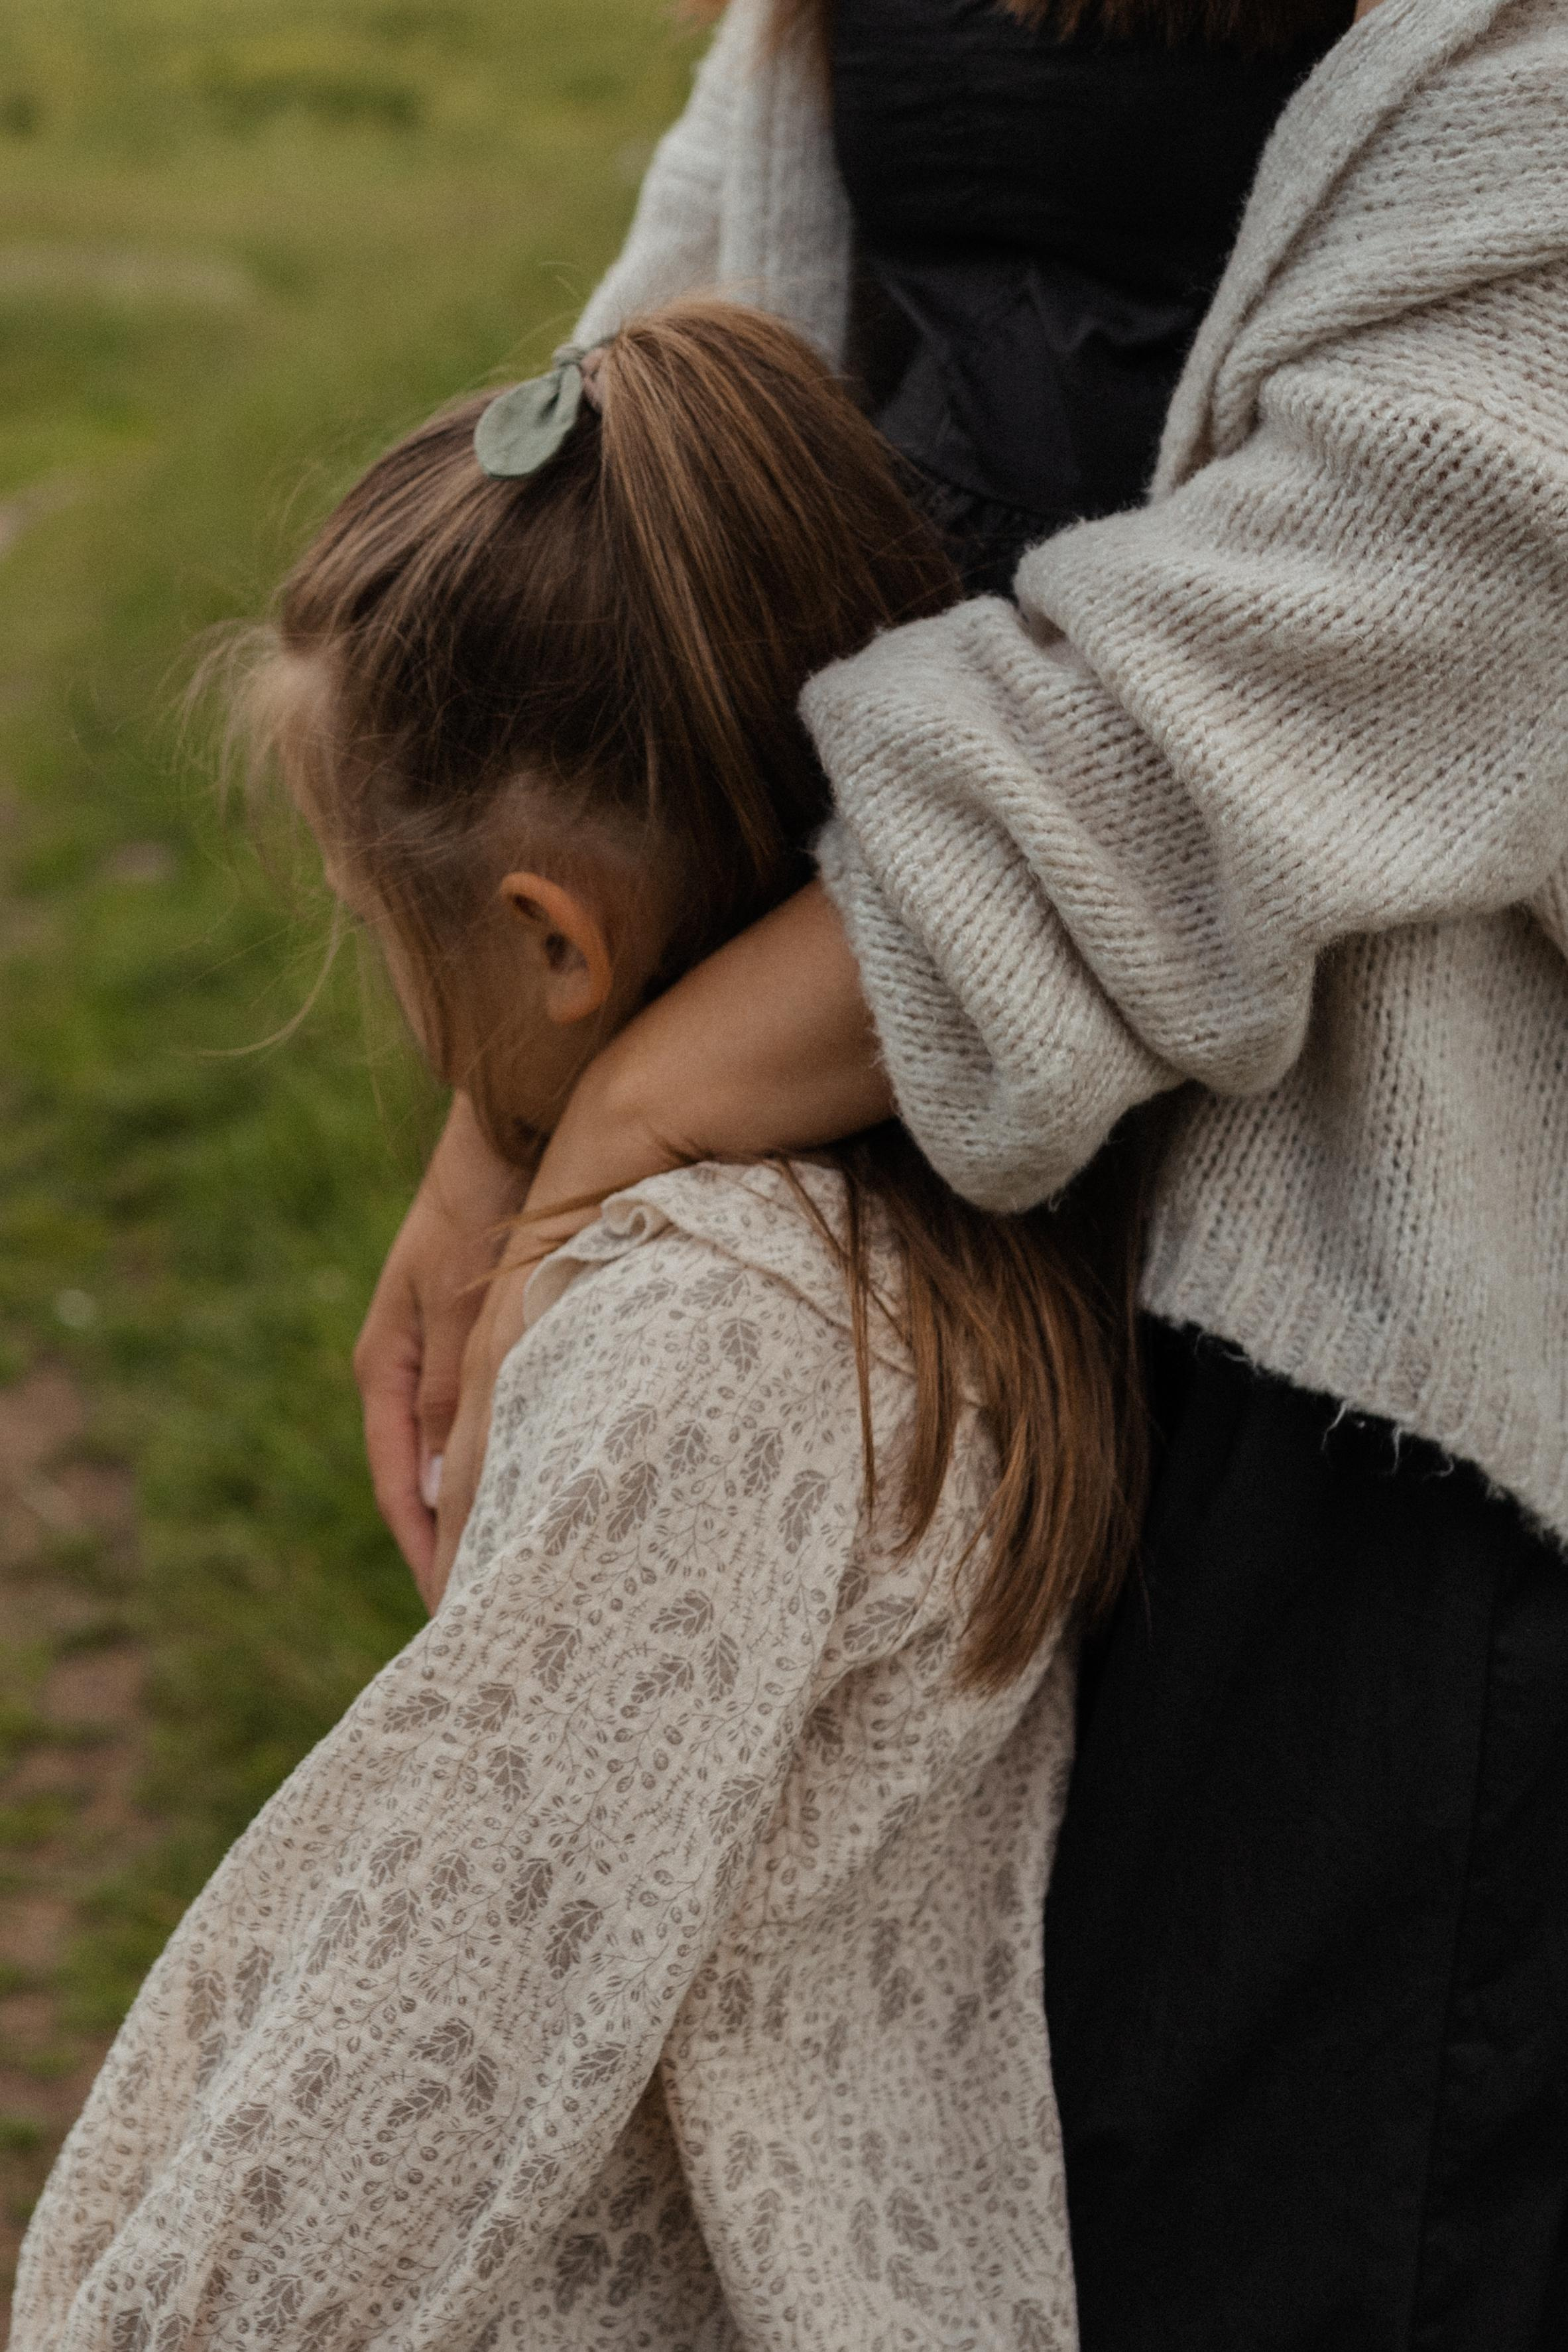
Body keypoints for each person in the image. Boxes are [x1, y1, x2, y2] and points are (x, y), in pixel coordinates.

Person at [369, 0, 1568, 2343]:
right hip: (878, 1225)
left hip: (1345, 1362)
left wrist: (638, 1102)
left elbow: (1414, 568)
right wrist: (504, 1100)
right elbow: (699, 342)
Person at [13, 302, 1153, 2351]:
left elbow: (426, 2028)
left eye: (379, 926)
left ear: (553, 940)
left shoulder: (701, 1336)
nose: (386, 993)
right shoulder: (932, 1243)